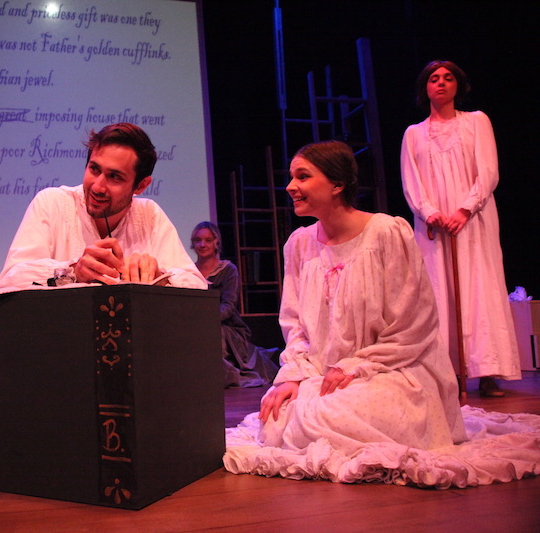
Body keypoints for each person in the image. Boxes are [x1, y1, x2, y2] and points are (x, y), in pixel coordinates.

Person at [224, 140, 480, 484]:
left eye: (303, 176)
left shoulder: (387, 232)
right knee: (279, 413)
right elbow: (295, 323)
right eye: (291, 177)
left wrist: (357, 365)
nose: (290, 187)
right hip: (322, 374)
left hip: (392, 367)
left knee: (329, 414)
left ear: (337, 184)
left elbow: (414, 322)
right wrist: (294, 374)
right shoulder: (299, 244)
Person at [400, 60, 521, 397]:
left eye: (448, 78)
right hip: (435, 226)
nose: (441, 83)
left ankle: (485, 371)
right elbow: (411, 180)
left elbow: (488, 171)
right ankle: (446, 370)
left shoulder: (477, 122)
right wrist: (430, 212)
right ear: (425, 88)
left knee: (480, 287)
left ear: (458, 85)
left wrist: (466, 208)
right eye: (434, 79)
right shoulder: (414, 134)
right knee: (438, 290)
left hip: (473, 219)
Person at [0, 123, 207, 290]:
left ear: (141, 185)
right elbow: (9, 280)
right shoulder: (52, 203)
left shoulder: (149, 215)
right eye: (94, 169)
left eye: (114, 177)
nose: (97, 186)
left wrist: (160, 278)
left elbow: (197, 285)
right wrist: (72, 272)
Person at [191, 221, 279, 387]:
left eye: (208, 240)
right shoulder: (189, 271)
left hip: (227, 326)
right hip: (197, 324)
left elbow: (229, 306)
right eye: (198, 240)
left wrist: (206, 321)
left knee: (215, 333)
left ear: (216, 242)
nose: (202, 245)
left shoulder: (228, 270)